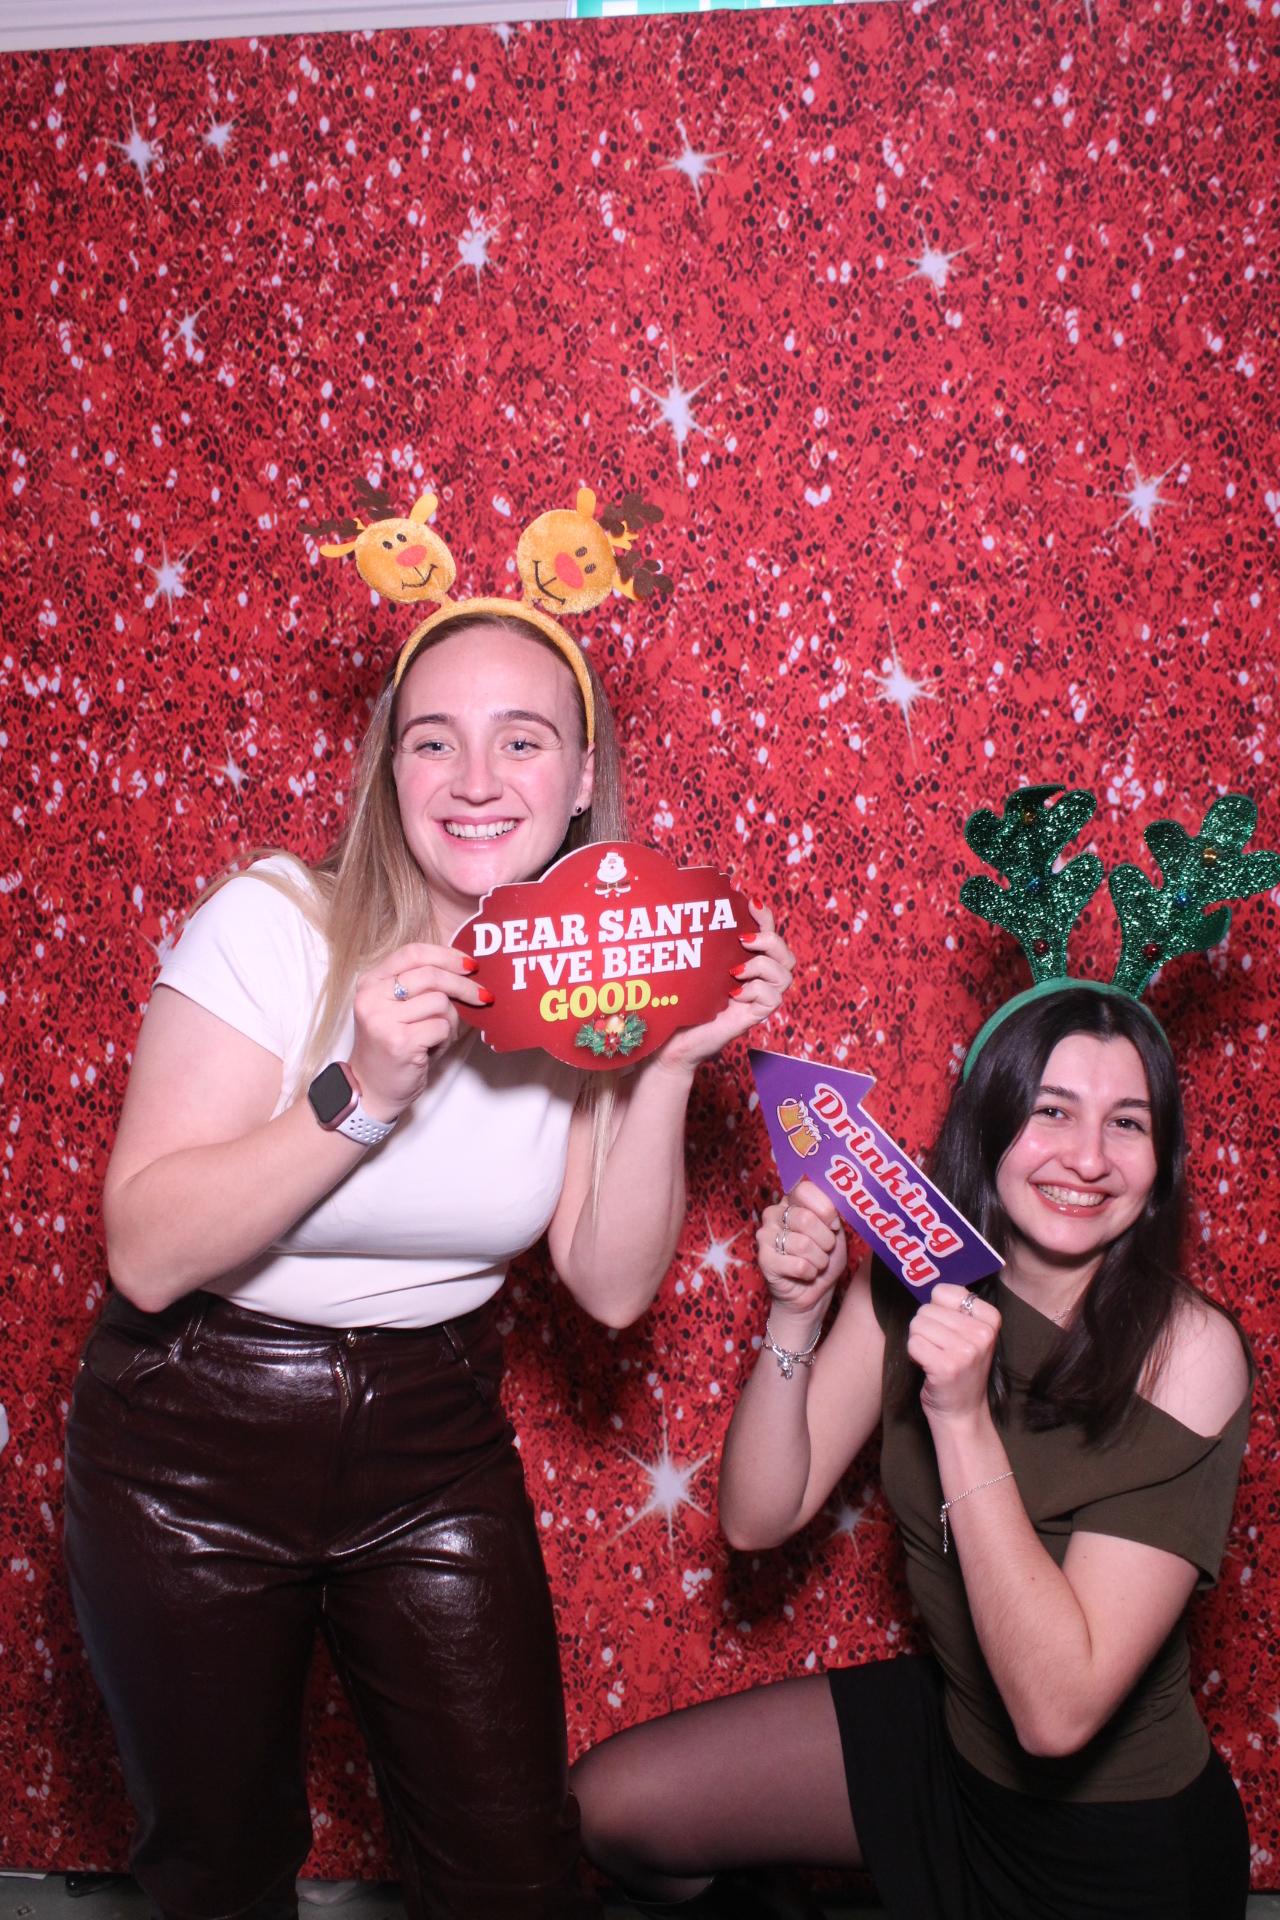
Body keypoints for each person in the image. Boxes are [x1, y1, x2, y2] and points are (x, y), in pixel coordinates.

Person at [63, 604, 794, 1920]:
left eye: (520, 742)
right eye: (432, 742)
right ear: (387, 769)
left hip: (430, 1436)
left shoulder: (588, 979)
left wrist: (678, 1058)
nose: (473, 782)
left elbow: (613, 1286)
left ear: (580, 781)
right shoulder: (273, 920)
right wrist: (363, 1093)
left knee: (511, 1872)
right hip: (190, 1436)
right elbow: (148, 1248)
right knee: (217, 1871)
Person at [571, 987, 1253, 1920]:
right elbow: (758, 1515)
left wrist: (963, 1418)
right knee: (608, 1809)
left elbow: (1056, 1717)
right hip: (950, 1742)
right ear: (989, 1120)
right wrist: (796, 1316)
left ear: (1159, 1163)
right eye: (1051, 1110)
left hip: (1108, 1844)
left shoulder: (1189, 1353)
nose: (1088, 1157)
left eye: (1126, 1123)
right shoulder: (915, 1278)